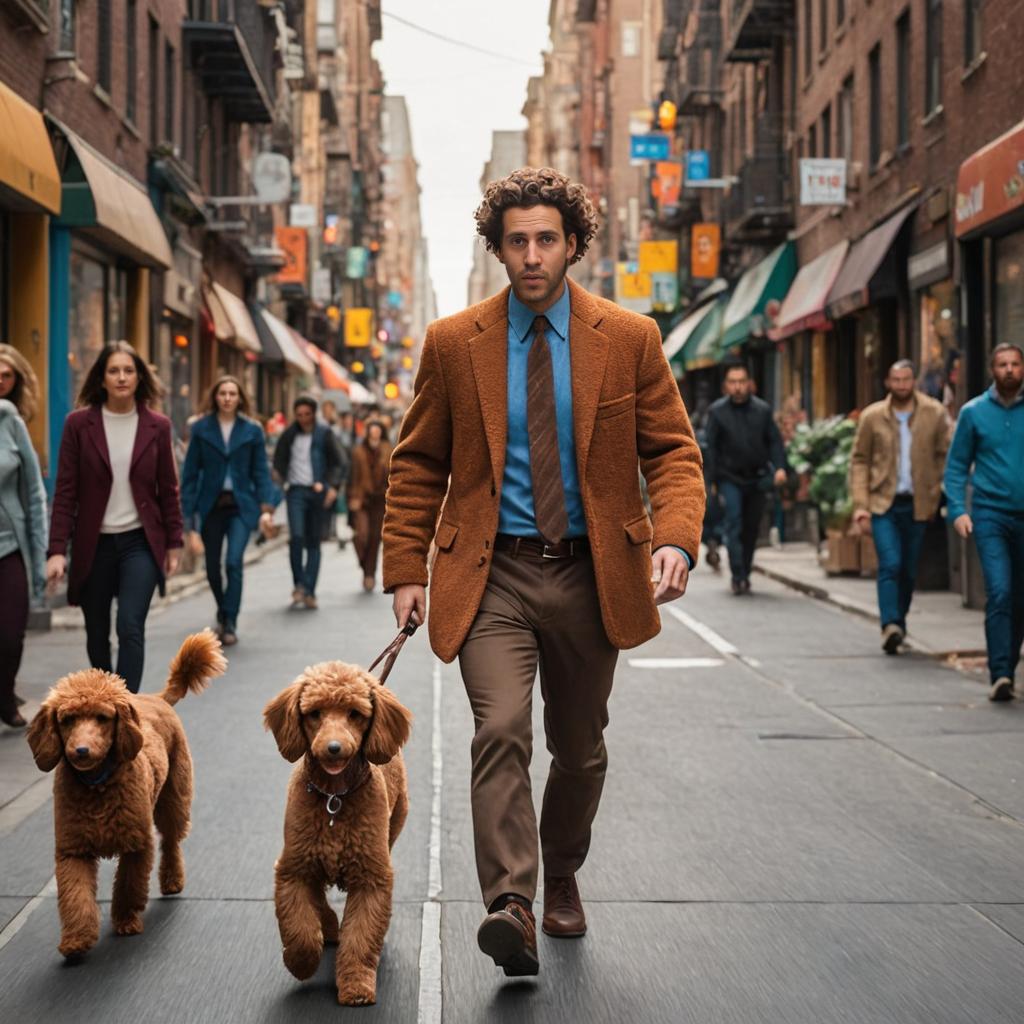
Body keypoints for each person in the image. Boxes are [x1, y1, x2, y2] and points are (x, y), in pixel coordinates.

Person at [382, 167, 704, 976]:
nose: (532, 255)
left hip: (594, 576)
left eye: (546, 240)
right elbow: (418, 463)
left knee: (580, 748)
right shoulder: (455, 343)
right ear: (498, 248)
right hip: (493, 576)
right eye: (517, 240)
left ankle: (561, 868)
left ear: (573, 246)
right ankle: (512, 903)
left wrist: (677, 538)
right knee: (499, 731)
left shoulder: (630, 338)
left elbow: (671, 452)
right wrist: (405, 568)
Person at [46, 341, 183, 694]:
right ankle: (106, 697)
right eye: (114, 371)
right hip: (95, 544)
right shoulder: (78, 425)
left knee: (130, 625)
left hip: (140, 542)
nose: (121, 377)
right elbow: (65, 491)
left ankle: (125, 705)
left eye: (128, 371)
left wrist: (174, 543)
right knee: (96, 633)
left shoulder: (157, 426)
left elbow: (168, 489)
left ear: (139, 378)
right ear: (102, 379)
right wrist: (57, 549)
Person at [850, 360, 950, 654]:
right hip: (883, 503)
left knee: (908, 570)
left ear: (913, 381)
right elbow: (859, 461)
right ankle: (889, 623)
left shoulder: (934, 413)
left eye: (907, 379)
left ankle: (899, 623)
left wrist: (936, 493)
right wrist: (861, 505)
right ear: (888, 383)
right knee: (891, 563)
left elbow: (944, 455)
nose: (902, 385)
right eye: (897, 380)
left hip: (919, 504)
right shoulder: (872, 417)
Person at [945, 343, 1024, 702]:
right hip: (989, 513)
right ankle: (1001, 672)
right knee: (1000, 590)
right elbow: (957, 466)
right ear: (992, 370)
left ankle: (1008, 662)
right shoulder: (973, 413)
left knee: (1020, 597)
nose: (1009, 370)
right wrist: (959, 509)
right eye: (1002, 365)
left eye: (1015, 364)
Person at [180, 375, 275, 645]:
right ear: (215, 396)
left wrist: (266, 507)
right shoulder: (201, 428)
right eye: (223, 393)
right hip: (210, 505)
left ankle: (230, 620)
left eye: (233, 393)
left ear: (239, 397)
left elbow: (261, 473)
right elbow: (189, 474)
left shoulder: (252, 430)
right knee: (212, 568)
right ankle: (222, 609)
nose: (227, 398)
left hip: (241, 507)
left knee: (233, 562)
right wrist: (188, 521)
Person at [704, 361, 787, 594]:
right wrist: (710, 482)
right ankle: (737, 574)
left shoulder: (762, 410)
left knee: (751, 528)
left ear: (749, 384)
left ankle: (746, 571)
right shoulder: (717, 412)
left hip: (756, 478)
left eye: (741, 382)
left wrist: (780, 467)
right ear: (725, 386)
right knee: (734, 521)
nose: (738, 387)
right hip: (729, 478)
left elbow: (774, 442)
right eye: (733, 382)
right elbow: (711, 448)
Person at [0, 345, 47, 727]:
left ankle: (5, 692)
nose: (0, 382)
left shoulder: (12, 420)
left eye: (7, 375)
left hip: (9, 543)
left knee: (13, 631)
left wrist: (43, 550)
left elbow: (33, 491)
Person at [272, 396, 343, 609]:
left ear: (314, 413)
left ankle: (310, 590)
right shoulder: (288, 435)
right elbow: (278, 461)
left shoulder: (324, 434)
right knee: (296, 537)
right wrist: (280, 481)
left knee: (313, 540)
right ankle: (300, 585)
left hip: (317, 492)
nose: (303, 419)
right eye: (299, 415)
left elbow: (339, 462)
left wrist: (330, 486)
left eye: (307, 414)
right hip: (295, 491)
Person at [348, 419, 392, 592]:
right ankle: (364, 565)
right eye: (371, 430)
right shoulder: (358, 452)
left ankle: (369, 574)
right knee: (361, 536)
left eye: (377, 430)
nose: (374, 433)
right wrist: (351, 496)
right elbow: (352, 475)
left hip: (381, 499)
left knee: (375, 537)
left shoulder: (388, 449)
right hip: (362, 498)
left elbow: (394, 473)